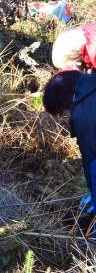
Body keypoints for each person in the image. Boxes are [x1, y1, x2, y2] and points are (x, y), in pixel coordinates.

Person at [43, 70, 96, 236]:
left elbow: (92, 161)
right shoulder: (90, 84)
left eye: (62, 114)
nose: (65, 117)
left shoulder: (83, 117)